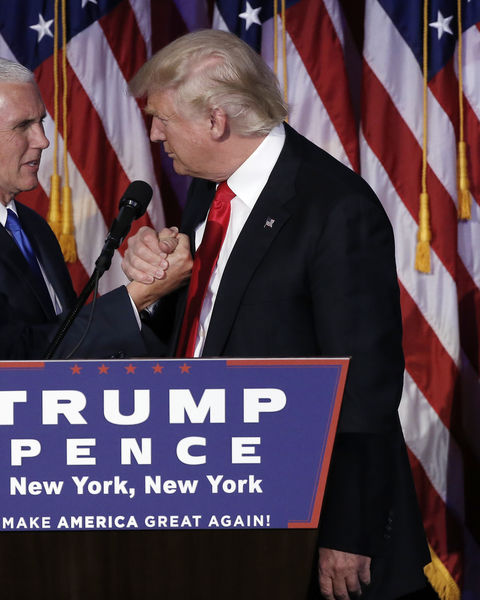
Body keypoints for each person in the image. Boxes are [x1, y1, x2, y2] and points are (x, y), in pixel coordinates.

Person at [122, 30, 430, 599]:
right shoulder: (206, 193)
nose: (154, 133)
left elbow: (364, 385)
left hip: (304, 522)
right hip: (214, 499)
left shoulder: (333, 208)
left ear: (216, 121)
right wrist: (157, 289)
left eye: (162, 117)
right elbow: (201, 336)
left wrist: (348, 530)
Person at [0, 54, 190, 598]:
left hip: (33, 522)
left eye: (41, 121)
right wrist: (132, 301)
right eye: (23, 125)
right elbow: (3, 367)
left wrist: (155, 293)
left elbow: (75, 357)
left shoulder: (32, 228)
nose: (44, 140)